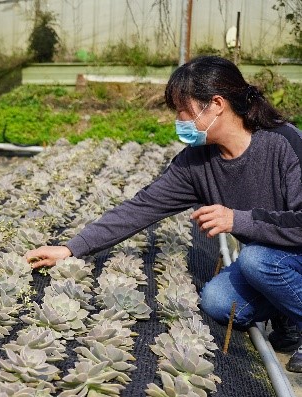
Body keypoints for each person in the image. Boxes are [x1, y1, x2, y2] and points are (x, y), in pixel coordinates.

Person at [25, 55, 302, 373]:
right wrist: (72, 248)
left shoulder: (284, 143)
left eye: (183, 110)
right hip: (273, 257)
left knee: (256, 260)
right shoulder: (196, 163)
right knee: (218, 301)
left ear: (216, 104)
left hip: (290, 252)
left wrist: (237, 219)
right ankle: (287, 312)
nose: (179, 120)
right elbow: (140, 208)